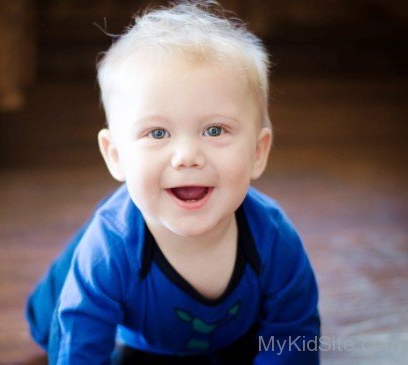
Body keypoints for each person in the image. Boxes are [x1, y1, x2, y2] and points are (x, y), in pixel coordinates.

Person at [26, 1, 320, 364]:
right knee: (48, 323)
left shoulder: (274, 237)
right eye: (158, 132)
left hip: (224, 338)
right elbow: (78, 341)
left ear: (258, 152)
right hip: (128, 301)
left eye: (215, 130)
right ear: (115, 155)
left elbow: (293, 333)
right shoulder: (110, 247)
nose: (187, 155)